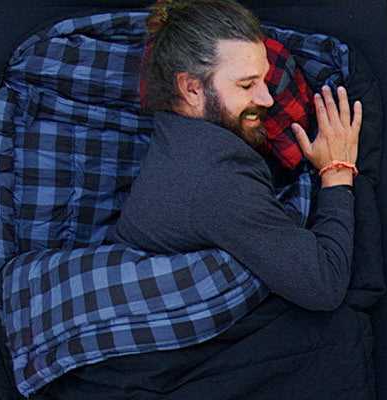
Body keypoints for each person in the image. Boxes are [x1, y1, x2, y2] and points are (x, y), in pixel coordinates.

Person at [113, 0, 362, 312]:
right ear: (191, 89)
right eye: (246, 85)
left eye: (264, 79)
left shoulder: (176, 131)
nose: (267, 98)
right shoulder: (218, 181)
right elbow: (324, 286)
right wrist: (336, 171)